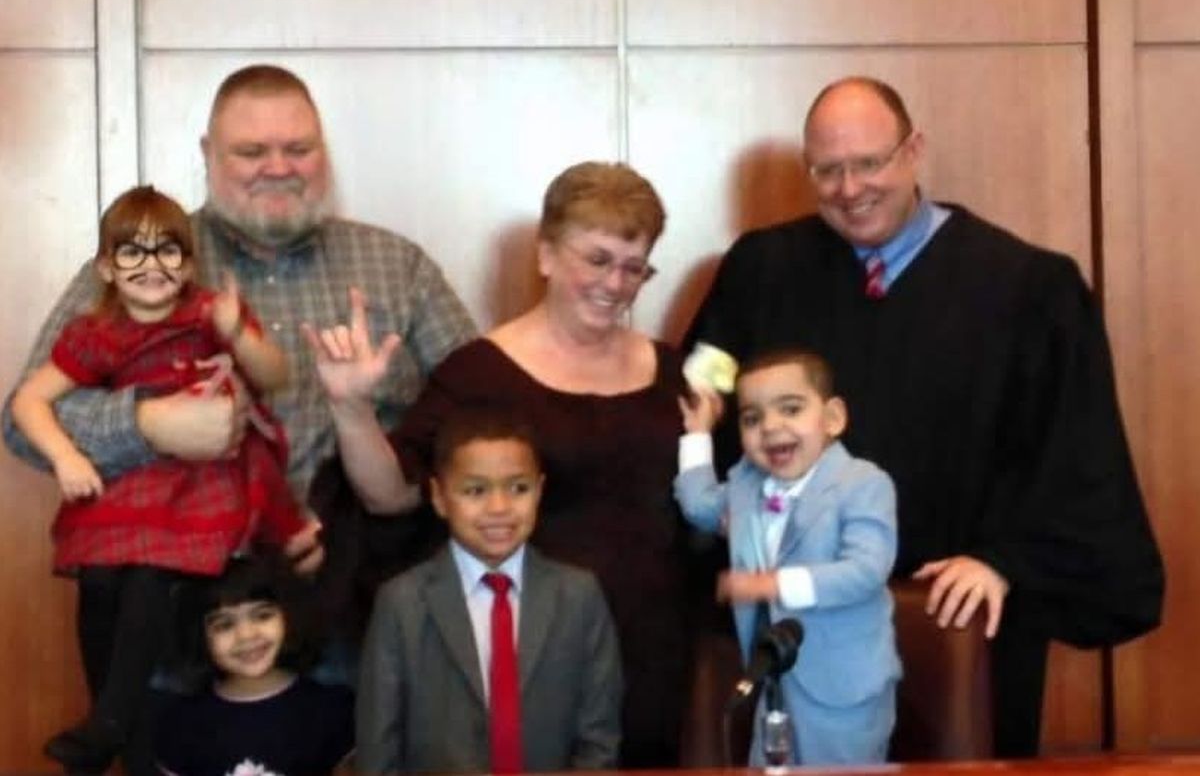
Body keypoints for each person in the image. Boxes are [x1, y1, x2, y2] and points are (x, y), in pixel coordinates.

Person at [1, 64, 476, 772]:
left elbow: (474, 426)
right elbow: (25, 419)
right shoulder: (147, 265)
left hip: (350, 621)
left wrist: (371, 502)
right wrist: (149, 424)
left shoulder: (397, 267)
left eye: (299, 148)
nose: (278, 168)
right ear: (207, 154)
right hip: (179, 632)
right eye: (252, 152)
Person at [685, 75, 1164, 757]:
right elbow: (701, 402)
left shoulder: (1029, 290)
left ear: (914, 151)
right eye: (828, 170)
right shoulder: (760, 273)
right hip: (796, 629)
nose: (850, 188)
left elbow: (1075, 458)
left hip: (957, 628)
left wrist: (1006, 561)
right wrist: (725, 503)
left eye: (869, 163)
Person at [389, 161, 691, 767]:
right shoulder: (478, 372)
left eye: (634, 267)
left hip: (654, 644)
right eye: (597, 259)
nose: (616, 283)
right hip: (529, 644)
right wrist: (348, 406)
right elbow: (397, 491)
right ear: (546, 254)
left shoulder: (672, 368)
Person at [10, 186, 310, 774]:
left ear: (189, 263)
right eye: (133, 252)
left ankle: (110, 724)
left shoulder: (209, 314)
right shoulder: (96, 333)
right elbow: (27, 402)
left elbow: (276, 374)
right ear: (106, 267)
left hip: (202, 484)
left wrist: (239, 334)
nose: (152, 266)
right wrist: (66, 457)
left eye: (168, 251)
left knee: (150, 572)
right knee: (99, 576)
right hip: (133, 482)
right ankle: (111, 725)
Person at [356, 406, 622, 774]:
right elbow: (378, 749)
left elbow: (599, 741)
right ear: (439, 496)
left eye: (518, 488)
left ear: (540, 490)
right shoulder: (402, 603)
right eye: (475, 490)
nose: (499, 507)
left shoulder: (578, 596)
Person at [675, 349, 900, 765]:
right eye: (752, 418)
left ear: (833, 418)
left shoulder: (863, 483)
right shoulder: (747, 486)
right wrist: (698, 431)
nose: (770, 427)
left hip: (843, 692)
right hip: (774, 680)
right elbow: (699, 505)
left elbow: (866, 570)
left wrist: (775, 584)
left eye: (791, 409)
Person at [155, 555, 354, 776]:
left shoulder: (331, 709)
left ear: (290, 615)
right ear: (199, 636)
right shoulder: (181, 723)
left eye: (262, 616)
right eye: (224, 625)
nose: (246, 635)